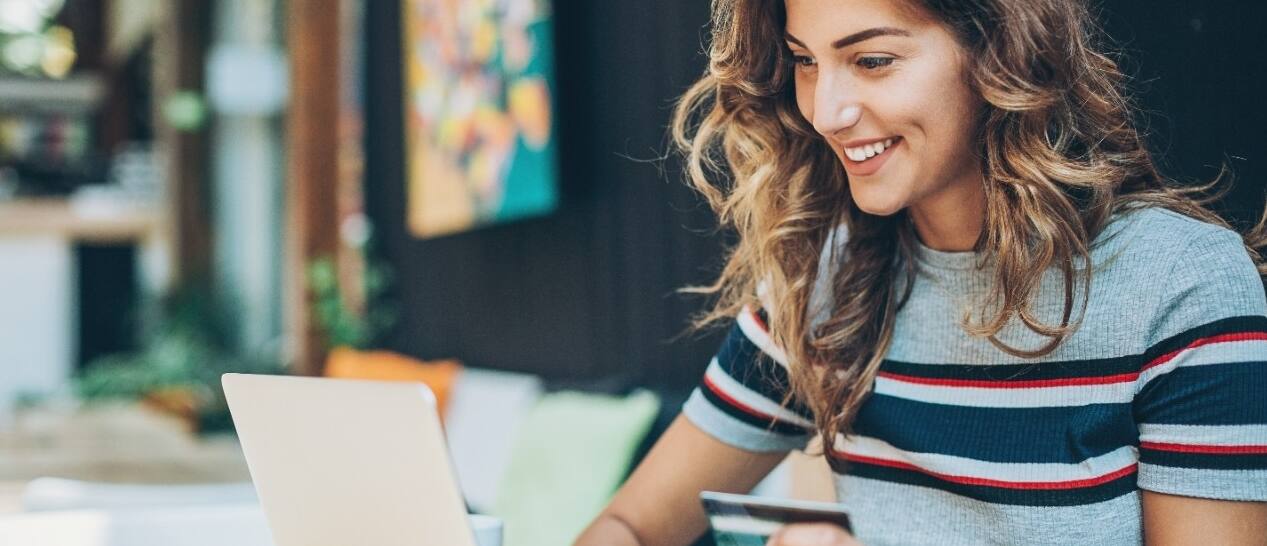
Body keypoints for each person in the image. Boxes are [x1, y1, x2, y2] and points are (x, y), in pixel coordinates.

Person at [575, 0, 1267, 545]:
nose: (825, 111)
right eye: (804, 61)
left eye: (872, 60)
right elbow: (627, 527)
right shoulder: (822, 284)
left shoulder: (1179, 285)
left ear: (999, 52)